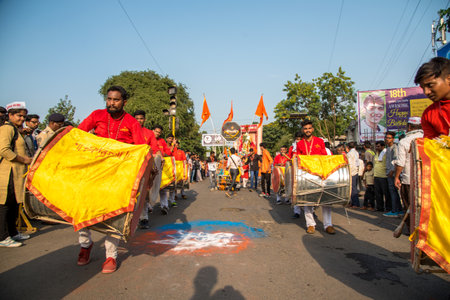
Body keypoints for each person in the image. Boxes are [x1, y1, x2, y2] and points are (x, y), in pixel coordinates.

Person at [76, 85, 145, 274]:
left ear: (124, 102)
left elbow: (140, 150)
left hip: (118, 176)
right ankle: (85, 245)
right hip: (93, 171)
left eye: (115, 100)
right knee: (81, 208)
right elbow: (79, 134)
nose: (111, 103)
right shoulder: (97, 115)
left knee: (114, 213)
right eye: (109, 99)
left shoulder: (132, 122)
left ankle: (110, 256)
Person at [0, 102, 33, 247]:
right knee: (5, 205)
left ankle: (13, 232)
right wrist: (24, 159)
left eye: (23, 116)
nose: (21, 119)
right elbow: (4, 150)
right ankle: (3, 237)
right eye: (19, 115)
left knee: (14, 204)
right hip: (7, 173)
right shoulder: (7, 129)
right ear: (10, 115)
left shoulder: (15, 129)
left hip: (16, 173)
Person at [296, 120, 335, 234]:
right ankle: (311, 224)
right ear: (303, 130)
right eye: (305, 128)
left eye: (309, 128)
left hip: (320, 173)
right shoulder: (300, 144)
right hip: (307, 174)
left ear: (312, 129)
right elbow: (298, 159)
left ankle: (328, 225)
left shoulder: (319, 141)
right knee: (308, 200)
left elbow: (325, 157)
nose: (307, 130)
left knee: (325, 199)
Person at [133, 110, 161, 229]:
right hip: (129, 166)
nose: (139, 121)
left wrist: (159, 156)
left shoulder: (149, 133)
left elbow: (155, 149)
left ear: (144, 119)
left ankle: (144, 218)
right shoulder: (128, 130)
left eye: (141, 118)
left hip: (144, 168)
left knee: (143, 194)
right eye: (137, 118)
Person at [394, 117, 423, 229]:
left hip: (408, 180)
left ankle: (412, 229)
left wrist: (396, 177)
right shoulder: (428, 138)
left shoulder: (404, 142)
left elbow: (400, 163)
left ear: (409, 127)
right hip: (427, 179)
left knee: (409, 206)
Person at [414, 57, 450, 138]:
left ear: (448, 79)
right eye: (423, 88)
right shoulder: (429, 114)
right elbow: (430, 147)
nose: (426, 92)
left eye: (430, 85)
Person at [153, 125, 173, 215]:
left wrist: (162, 154)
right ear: (152, 131)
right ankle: (148, 207)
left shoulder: (162, 141)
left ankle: (164, 205)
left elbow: (168, 152)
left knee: (163, 188)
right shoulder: (148, 138)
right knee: (148, 188)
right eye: (156, 131)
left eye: (159, 132)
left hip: (161, 166)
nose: (157, 134)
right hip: (149, 165)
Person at [383, 131, 402, 217]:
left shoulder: (395, 148)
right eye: (386, 138)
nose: (387, 139)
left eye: (389, 138)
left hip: (393, 173)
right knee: (393, 192)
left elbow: (396, 161)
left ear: (393, 139)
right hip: (388, 172)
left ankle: (395, 210)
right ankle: (398, 209)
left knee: (393, 192)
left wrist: (392, 171)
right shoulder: (388, 148)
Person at [373, 141, 391, 212]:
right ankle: (379, 207)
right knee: (378, 193)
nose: (377, 148)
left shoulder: (386, 153)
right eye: (376, 146)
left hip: (384, 176)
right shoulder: (376, 154)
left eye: (378, 146)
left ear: (383, 146)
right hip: (376, 175)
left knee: (386, 193)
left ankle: (388, 208)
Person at [346, 142, 360, 208]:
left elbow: (349, 164)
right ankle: (353, 202)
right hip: (355, 171)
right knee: (353, 188)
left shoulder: (349, 154)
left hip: (351, 172)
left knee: (352, 188)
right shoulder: (356, 152)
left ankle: (355, 203)